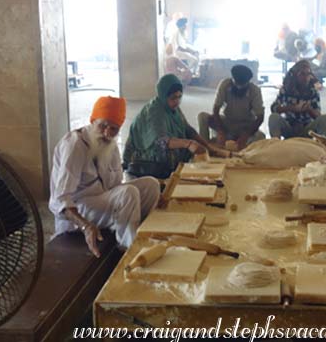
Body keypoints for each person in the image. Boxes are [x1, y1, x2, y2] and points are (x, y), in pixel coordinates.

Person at [49, 96, 160, 257]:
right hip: (79, 211)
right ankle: (129, 251)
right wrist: (85, 226)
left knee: (151, 185)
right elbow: (60, 200)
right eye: (103, 126)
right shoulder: (75, 145)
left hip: (100, 203)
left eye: (114, 129)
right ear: (93, 120)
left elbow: (115, 185)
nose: (107, 133)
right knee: (128, 193)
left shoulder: (110, 145)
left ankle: (138, 232)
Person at [123, 74, 230, 178]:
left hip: (158, 148)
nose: (177, 102)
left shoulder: (173, 108)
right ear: (163, 95)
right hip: (141, 157)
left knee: (190, 147)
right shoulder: (154, 112)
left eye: (179, 97)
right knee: (175, 152)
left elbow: (188, 130)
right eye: (173, 98)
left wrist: (210, 148)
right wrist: (189, 144)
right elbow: (160, 141)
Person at [197, 65, 266, 150]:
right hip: (227, 123)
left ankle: (242, 146)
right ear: (232, 79)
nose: (239, 87)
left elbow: (260, 117)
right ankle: (205, 147)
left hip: (245, 126)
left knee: (261, 136)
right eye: (237, 84)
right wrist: (220, 131)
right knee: (202, 116)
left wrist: (246, 135)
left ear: (248, 82)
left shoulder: (255, 90)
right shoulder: (225, 84)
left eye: (242, 85)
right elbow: (216, 109)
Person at [269, 60, 326, 139]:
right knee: (274, 117)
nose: (305, 77)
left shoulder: (312, 92)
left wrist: (309, 109)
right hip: (290, 127)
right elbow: (274, 108)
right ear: (295, 75)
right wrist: (292, 108)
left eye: (308, 74)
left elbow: (318, 115)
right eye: (302, 74)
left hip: (307, 129)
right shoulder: (286, 90)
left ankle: (320, 145)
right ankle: (276, 145)